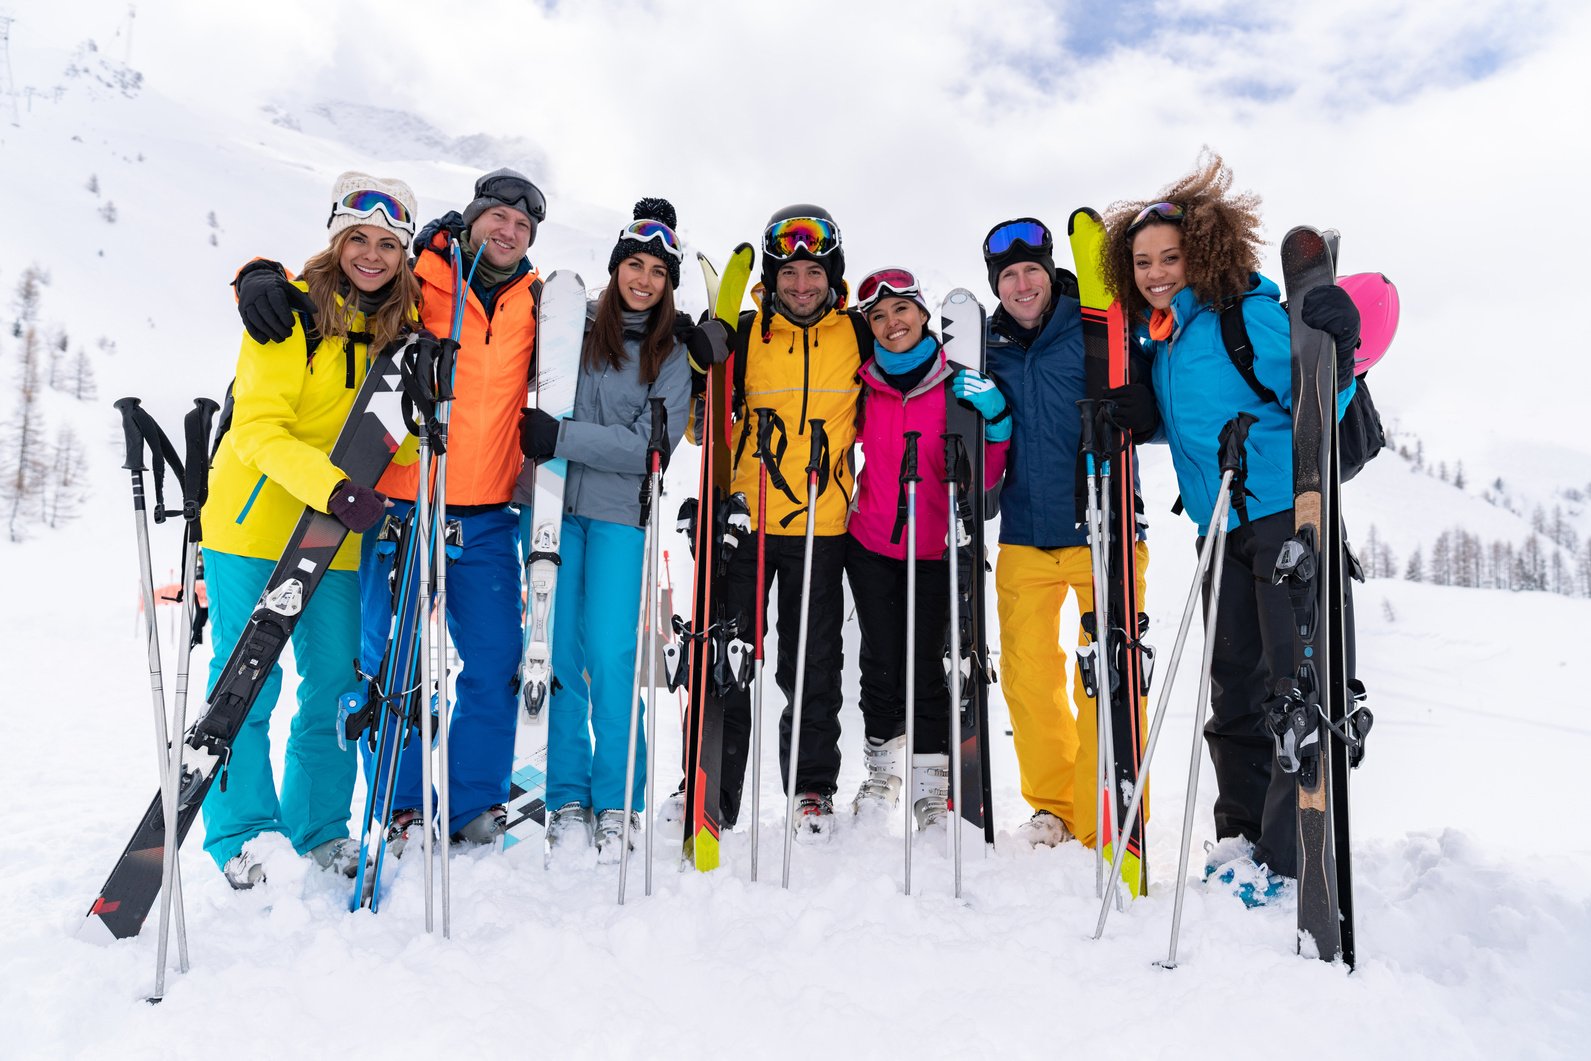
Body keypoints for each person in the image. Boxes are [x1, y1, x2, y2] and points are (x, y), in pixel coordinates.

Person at [234, 167, 547, 852]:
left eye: (522, 225)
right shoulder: (413, 282)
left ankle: (473, 801)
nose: (507, 231)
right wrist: (256, 272)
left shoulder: (538, 302)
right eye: (496, 216)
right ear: (470, 219)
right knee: (387, 667)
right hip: (401, 503)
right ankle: (400, 804)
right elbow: (333, 286)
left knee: (494, 662)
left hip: (487, 512)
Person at [1100, 152, 1361, 904]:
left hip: (1286, 518)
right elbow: (1198, 418)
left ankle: (1285, 855)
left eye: (1169, 258)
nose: (1154, 272)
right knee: (1234, 690)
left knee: (1293, 689)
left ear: (1204, 251)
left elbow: (1321, 400)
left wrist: (1336, 356)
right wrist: (1142, 419)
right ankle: (1239, 836)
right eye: (1142, 261)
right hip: (1220, 528)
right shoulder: (1166, 338)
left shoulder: (1245, 318)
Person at [203, 171, 422, 888]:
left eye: (387, 243)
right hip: (253, 526)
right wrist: (335, 487)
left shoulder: (402, 335)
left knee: (332, 684)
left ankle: (318, 827)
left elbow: (397, 446)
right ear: (335, 240)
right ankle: (241, 833)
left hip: (338, 536)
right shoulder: (284, 314)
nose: (371, 254)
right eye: (357, 237)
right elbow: (258, 429)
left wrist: (421, 425)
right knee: (247, 685)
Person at [669, 204, 866, 840]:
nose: (801, 285)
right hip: (746, 526)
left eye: (813, 273)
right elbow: (703, 431)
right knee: (727, 659)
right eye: (789, 273)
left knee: (812, 665)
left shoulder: (857, 335)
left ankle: (811, 789)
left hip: (822, 526)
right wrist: (706, 370)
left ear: (831, 274)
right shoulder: (747, 332)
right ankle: (711, 793)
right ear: (772, 278)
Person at [521, 199, 691, 861]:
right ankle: (564, 792)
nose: (643, 279)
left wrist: (560, 436)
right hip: (550, 512)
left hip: (622, 517)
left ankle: (617, 798)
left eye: (657, 270)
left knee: (612, 659)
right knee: (555, 657)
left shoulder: (671, 354)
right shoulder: (570, 325)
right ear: (616, 266)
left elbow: (649, 445)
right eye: (633, 264)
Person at [980, 217, 1156, 850]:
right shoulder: (987, 346)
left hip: (1102, 527)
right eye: (1008, 277)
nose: (1022, 285)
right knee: (1029, 678)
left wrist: (1145, 408)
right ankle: (1052, 807)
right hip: (1023, 533)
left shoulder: (1097, 328)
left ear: (1051, 272)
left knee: (1108, 674)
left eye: (1031, 271)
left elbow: (1159, 391)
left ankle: (1103, 806)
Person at [842, 267, 1010, 828]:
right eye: (880, 316)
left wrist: (999, 422)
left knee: (935, 666)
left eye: (902, 311)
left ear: (922, 313)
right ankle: (882, 772)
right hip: (871, 546)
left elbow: (986, 480)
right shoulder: (863, 383)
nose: (893, 324)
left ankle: (931, 782)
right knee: (881, 662)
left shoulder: (955, 382)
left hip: (940, 549)